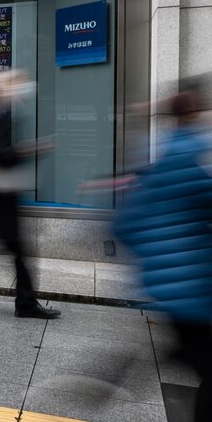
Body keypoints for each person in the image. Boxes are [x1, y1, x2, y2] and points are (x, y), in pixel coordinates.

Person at [115, 76, 212, 422]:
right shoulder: (199, 154)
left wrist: (155, 256)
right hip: (196, 285)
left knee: (198, 354)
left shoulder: (160, 153)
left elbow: (124, 225)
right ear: (199, 111)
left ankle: (161, 357)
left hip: (169, 285)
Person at [0, 71, 60, 319]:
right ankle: (25, 304)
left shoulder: (3, 113)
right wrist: (32, 149)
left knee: (15, 252)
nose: (15, 88)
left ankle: (25, 303)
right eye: (10, 85)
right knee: (15, 252)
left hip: (1, 196)